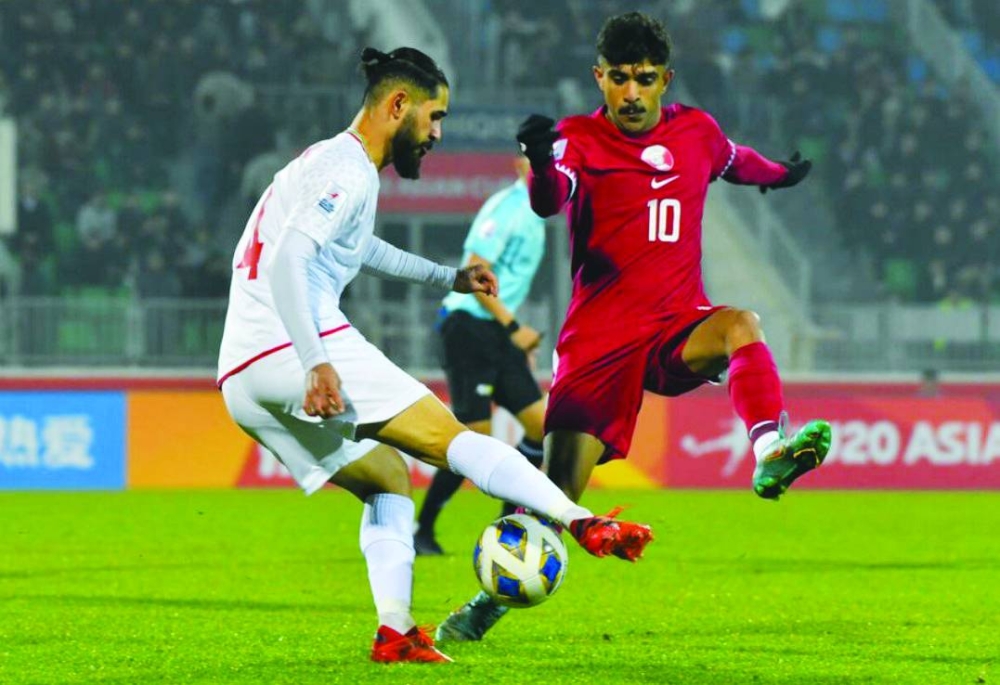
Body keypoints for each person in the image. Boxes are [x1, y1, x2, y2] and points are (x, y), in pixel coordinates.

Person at [216, 46, 653, 665]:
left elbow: (362, 250)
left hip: (242, 373)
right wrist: (315, 360)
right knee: (451, 439)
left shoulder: (329, 164)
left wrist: (449, 277)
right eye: (435, 116)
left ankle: (395, 632)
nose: (438, 134)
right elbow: (290, 257)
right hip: (292, 340)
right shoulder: (346, 169)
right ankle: (581, 521)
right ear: (399, 105)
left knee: (387, 478)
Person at [437, 12, 832, 643]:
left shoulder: (697, 131)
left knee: (741, 324)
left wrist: (781, 175)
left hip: (676, 324)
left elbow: (737, 161)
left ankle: (769, 453)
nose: (630, 92)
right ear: (598, 77)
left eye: (644, 78)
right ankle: (488, 603)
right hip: (599, 342)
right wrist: (539, 162)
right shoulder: (576, 139)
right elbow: (549, 199)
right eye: (618, 77)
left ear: (665, 80)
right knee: (556, 493)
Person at [414, 154, 548, 556]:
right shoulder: (506, 207)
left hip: (496, 332)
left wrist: (510, 333)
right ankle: (422, 529)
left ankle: (509, 527)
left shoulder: (537, 214)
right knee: (473, 440)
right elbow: (474, 272)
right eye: (537, 160)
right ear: (519, 164)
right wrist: (514, 328)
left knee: (542, 426)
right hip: (467, 328)